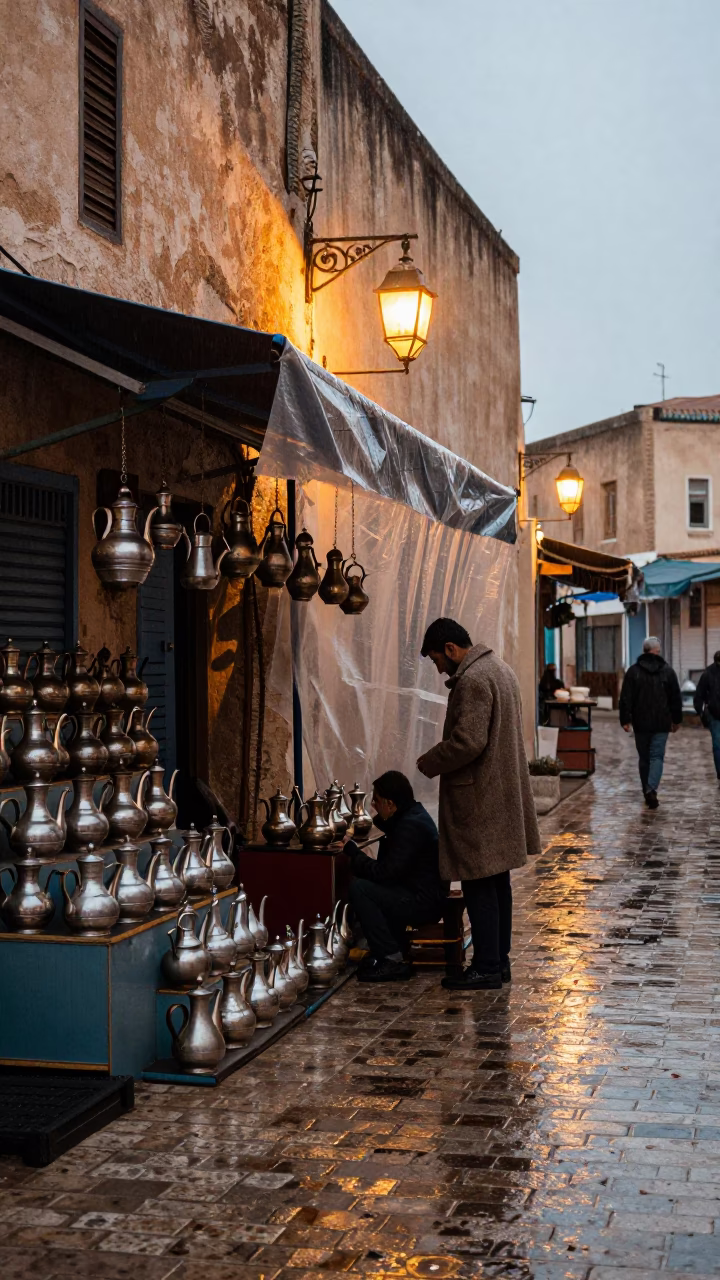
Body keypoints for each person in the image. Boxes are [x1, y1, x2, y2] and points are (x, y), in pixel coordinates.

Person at [416, 617, 541, 991]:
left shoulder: (472, 680)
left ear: (451, 649)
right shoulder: (499, 669)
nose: (438, 668)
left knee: (479, 886)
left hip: (479, 801)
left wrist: (430, 762)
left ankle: (486, 966)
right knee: (497, 883)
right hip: (498, 795)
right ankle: (497, 962)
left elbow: (469, 742)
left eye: (437, 659)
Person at [345, 770, 446, 983]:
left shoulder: (410, 826)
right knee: (371, 887)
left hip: (423, 902)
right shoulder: (411, 815)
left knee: (360, 888)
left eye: (377, 801)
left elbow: (385, 872)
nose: (373, 805)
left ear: (391, 804)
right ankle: (393, 946)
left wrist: (354, 853)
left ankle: (392, 958)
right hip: (419, 892)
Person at [618, 636, 682, 809]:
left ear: (644, 650)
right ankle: (651, 789)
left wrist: (625, 719)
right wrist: (676, 720)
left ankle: (647, 789)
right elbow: (675, 697)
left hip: (641, 723)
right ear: (657, 651)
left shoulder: (633, 672)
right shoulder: (667, 671)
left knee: (645, 758)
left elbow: (626, 698)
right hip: (662, 722)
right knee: (657, 756)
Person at [693, 650, 720, 779]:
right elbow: (699, 695)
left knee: (717, 745)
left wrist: (701, 711)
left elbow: (699, 695)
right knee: (717, 745)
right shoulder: (708, 674)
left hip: (714, 712)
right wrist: (701, 712)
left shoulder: (708, 673)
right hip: (715, 714)